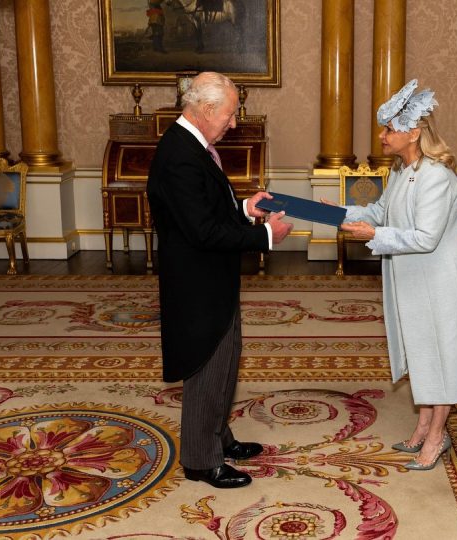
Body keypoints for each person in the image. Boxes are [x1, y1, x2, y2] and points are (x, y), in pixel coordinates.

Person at [147, 72, 292, 489]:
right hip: (197, 283)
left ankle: (218, 438)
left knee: (225, 363)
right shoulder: (179, 154)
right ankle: (199, 459)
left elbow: (207, 210)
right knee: (207, 366)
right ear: (207, 109)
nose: (233, 123)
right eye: (229, 114)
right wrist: (265, 236)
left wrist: (244, 208)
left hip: (211, 277)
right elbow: (203, 232)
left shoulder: (193, 145)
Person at [339, 79, 457, 470]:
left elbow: (425, 237)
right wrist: (339, 214)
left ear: (414, 133)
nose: (382, 135)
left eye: (389, 129)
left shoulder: (436, 176)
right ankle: (424, 425)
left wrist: (374, 235)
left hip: (441, 280)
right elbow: (380, 214)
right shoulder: (402, 170)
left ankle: (437, 435)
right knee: (424, 350)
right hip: (413, 278)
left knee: (442, 354)